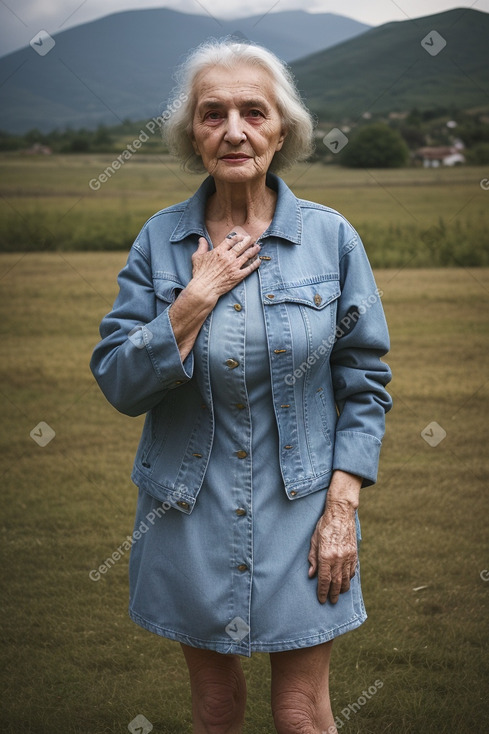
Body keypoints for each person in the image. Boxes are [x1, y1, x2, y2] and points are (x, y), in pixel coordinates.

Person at [90, 38, 392, 734]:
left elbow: (365, 381)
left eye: (252, 112)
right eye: (211, 113)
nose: (232, 130)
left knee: (298, 714)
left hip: (306, 508)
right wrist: (193, 300)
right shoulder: (159, 240)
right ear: (191, 133)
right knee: (216, 710)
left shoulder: (330, 238)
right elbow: (118, 381)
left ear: (281, 129)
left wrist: (342, 508)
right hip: (185, 507)